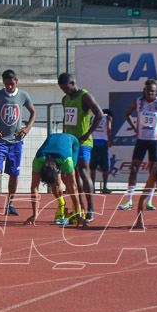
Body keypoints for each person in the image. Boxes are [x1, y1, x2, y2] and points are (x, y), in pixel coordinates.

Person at [0, 69, 37, 216]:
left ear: (16, 81)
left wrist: (27, 128)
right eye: (6, 84)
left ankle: (10, 204)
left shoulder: (23, 96)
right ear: (3, 82)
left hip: (16, 141)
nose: (9, 86)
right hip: (0, 141)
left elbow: (33, 112)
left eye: (11, 83)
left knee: (14, 174)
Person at [119, 80, 157, 212]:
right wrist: (134, 127)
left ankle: (149, 202)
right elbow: (126, 113)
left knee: (153, 171)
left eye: (153, 91)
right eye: (148, 91)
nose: (150, 93)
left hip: (154, 140)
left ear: (156, 92)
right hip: (141, 139)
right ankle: (129, 201)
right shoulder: (139, 101)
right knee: (134, 168)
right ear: (144, 91)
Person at [58, 73, 104, 222]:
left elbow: (99, 114)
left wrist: (87, 134)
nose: (64, 91)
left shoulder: (84, 96)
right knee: (72, 175)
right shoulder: (65, 100)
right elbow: (66, 120)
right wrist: (64, 136)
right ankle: (80, 207)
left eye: (66, 87)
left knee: (84, 173)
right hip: (69, 142)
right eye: (61, 89)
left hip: (83, 142)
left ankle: (91, 208)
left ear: (73, 83)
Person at [24, 133, 82, 226]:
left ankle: (76, 208)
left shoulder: (67, 161)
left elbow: (74, 186)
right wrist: (35, 214)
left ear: (58, 169)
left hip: (72, 141)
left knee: (67, 179)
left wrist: (78, 215)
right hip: (54, 152)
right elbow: (34, 187)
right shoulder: (38, 160)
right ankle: (61, 203)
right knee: (55, 183)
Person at [89, 109, 114, 194]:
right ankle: (104, 188)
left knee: (92, 167)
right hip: (103, 143)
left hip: (93, 143)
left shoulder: (92, 117)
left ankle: (92, 187)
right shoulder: (108, 117)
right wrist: (109, 140)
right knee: (105, 168)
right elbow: (109, 128)